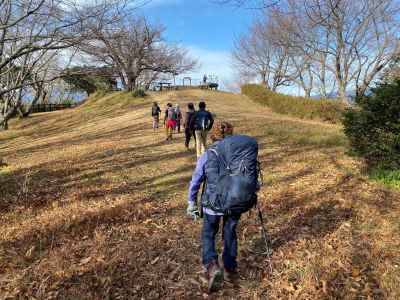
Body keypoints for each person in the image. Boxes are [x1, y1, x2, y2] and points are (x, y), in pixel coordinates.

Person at [187, 121, 240, 293]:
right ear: (231, 136)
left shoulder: (208, 154)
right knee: (230, 232)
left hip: (212, 204)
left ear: (213, 135)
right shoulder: (238, 154)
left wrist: (191, 201)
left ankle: (212, 266)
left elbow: (196, 179)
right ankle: (230, 267)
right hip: (233, 202)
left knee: (209, 234)